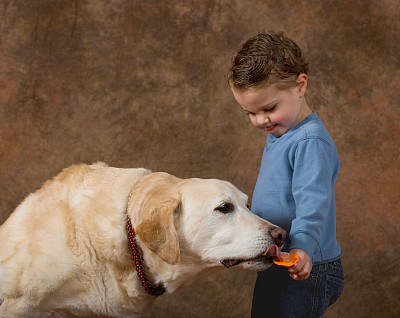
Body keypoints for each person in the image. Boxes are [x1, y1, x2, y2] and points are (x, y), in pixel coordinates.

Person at [227, 31, 344, 317]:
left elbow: (313, 203)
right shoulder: (282, 132)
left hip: (305, 265)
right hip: (281, 259)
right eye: (250, 113)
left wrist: (302, 248)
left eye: (269, 108)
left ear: (300, 85)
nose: (259, 120)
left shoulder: (309, 141)